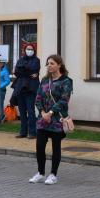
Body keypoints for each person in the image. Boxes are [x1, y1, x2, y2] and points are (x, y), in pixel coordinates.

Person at [29, 54, 73, 186]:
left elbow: (64, 100)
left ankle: (53, 174)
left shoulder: (66, 81)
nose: (49, 66)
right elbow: (38, 98)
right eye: (48, 63)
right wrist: (43, 112)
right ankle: (40, 173)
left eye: (52, 63)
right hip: (43, 119)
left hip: (57, 120)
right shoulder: (44, 80)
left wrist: (51, 112)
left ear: (59, 65)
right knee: (40, 147)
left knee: (56, 148)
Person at [12, 44, 40, 139]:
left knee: (31, 111)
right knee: (22, 111)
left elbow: (33, 69)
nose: (29, 50)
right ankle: (23, 132)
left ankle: (32, 132)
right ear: (24, 50)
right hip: (20, 88)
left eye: (31, 49)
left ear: (34, 50)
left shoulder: (36, 60)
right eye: (28, 49)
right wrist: (27, 72)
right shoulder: (20, 59)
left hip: (31, 89)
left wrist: (23, 70)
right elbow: (16, 71)